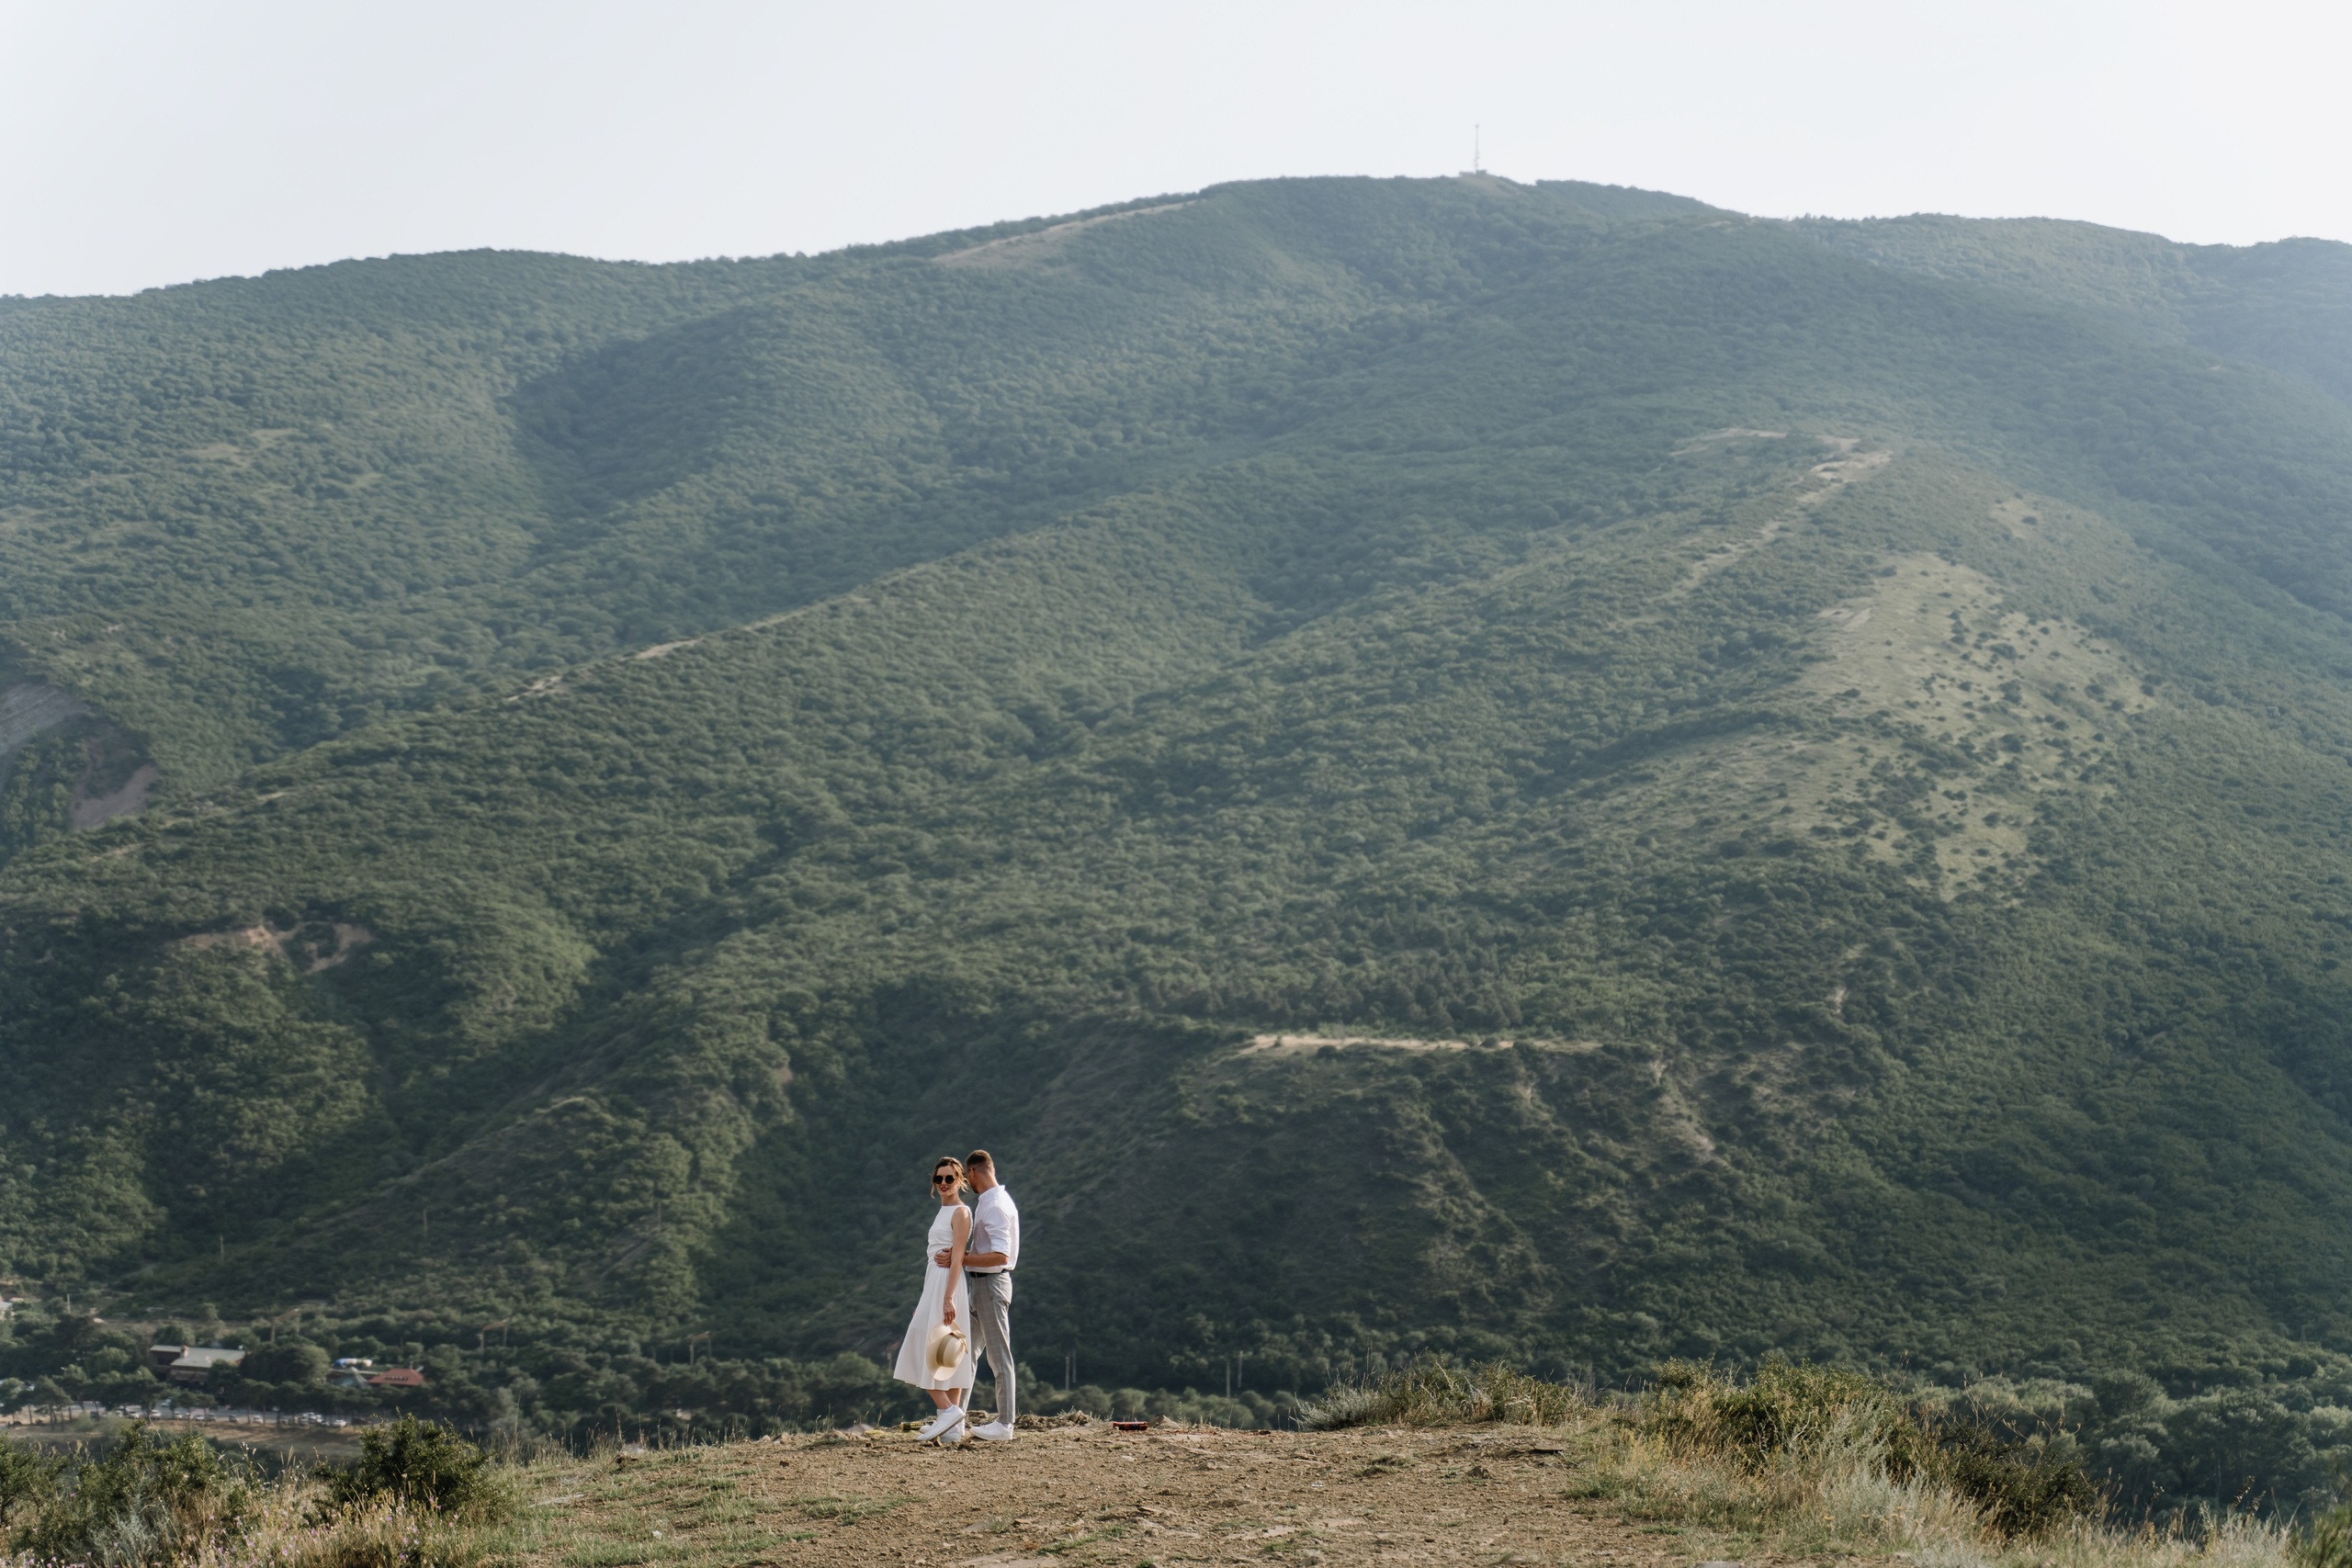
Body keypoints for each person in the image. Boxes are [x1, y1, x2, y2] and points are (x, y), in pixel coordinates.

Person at [934, 1146, 1020, 1441]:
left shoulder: (994, 1205)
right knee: (965, 1354)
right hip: (981, 1285)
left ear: (971, 1173)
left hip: (992, 1284)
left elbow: (999, 1255)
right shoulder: (992, 1201)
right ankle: (954, 1420)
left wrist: (960, 1258)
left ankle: (1005, 1424)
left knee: (999, 1358)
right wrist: (966, 1257)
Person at [896, 1156, 976, 1445]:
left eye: (949, 1179)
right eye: (938, 1179)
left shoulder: (961, 1212)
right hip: (934, 1283)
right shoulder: (942, 1211)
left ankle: (948, 1410)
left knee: (929, 1348)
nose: (943, 1183)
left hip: (947, 1284)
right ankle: (953, 1424)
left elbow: (957, 1259)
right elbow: (934, 1259)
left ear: (960, 1181)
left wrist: (948, 1297)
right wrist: (925, 1298)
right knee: (941, 1352)